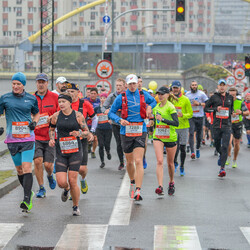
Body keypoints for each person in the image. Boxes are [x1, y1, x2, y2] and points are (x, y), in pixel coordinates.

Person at [109, 74, 156, 201]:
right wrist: (119, 120)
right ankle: (132, 181)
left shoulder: (143, 94)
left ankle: (138, 190)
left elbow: (154, 101)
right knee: (129, 162)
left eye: (134, 83)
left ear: (137, 84)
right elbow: (110, 113)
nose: (132, 86)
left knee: (139, 161)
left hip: (141, 130)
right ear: (126, 85)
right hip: (126, 131)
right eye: (130, 84)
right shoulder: (121, 97)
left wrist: (150, 107)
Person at [0, 72, 40, 212]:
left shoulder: (31, 98)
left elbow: (36, 113)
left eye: (18, 84)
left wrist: (34, 122)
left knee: (27, 167)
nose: (15, 86)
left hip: (28, 138)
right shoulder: (4, 98)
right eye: (14, 84)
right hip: (12, 139)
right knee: (19, 170)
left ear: (23, 85)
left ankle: (27, 199)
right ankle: (29, 192)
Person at [49, 92, 89, 216]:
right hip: (61, 152)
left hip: (75, 152)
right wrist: (51, 139)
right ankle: (66, 190)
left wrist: (80, 134)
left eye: (63, 102)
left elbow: (86, 132)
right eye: (59, 102)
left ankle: (75, 206)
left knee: (72, 180)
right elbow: (51, 129)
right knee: (61, 182)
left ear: (69, 103)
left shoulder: (78, 116)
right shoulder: (56, 116)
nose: (61, 104)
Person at [66, 83, 97, 194]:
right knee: (71, 169)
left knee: (82, 169)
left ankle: (83, 179)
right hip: (68, 141)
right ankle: (72, 191)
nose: (70, 94)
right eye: (68, 92)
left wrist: (92, 132)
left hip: (82, 140)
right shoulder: (63, 104)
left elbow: (94, 118)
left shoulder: (85, 103)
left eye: (72, 92)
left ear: (78, 93)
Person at [33, 73, 58, 198]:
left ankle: (49, 176)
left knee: (48, 165)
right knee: (37, 161)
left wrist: (52, 117)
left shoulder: (54, 97)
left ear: (47, 83)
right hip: (35, 136)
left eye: (43, 82)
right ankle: (41, 188)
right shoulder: (31, 98)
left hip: (50, 136)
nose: (41, 84)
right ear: (36, 83)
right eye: (39, 82)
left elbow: (61, 111)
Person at [151, 86, 179, 196]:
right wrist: (151, 125)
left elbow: (176, 123)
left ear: (167, 95)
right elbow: (154, 121)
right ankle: (160, 186)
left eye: (162, 94)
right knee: (159, 161)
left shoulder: (171, 107)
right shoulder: (156, 107)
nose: (160, 96)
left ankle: (171, 181)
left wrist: (162, 119)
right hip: (158, 136)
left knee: (170, 164)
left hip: (170, 137)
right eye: (159, 94)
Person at [204, 79, 234, 177]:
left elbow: (231, 109)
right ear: (218, 87)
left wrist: (232, 114)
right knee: (217, 145)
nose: (222, 87)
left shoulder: (230, 97)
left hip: (227, 126)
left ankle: (222, 169)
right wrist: (215, 109)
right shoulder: (214, 97)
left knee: (225, 146)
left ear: (226, 87)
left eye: (223, 85)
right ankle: (221, 156)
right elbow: (206, 108)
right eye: (220, 85)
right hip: (216, 125)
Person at [103, 78, 126, 170]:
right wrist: (106, 110)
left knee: (126, 143)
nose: (118, 87)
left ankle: (129, 159)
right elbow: (104, 106)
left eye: (120, 85)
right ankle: (121, 162)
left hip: (126, 123)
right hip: (115, 123)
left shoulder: (127, 96)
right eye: (117, 85)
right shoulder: (112, 96)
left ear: (124, 86)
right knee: (119, 143)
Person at [171, 81, 193, 176]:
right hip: (173, 127)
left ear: (180, 88)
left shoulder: (185, 99)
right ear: (171, 88)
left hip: (183, 127)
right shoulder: (170, 99)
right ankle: (175, 162)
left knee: (183, 148)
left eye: (177, 88)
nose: (175, 89)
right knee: (174, 147)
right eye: (174, 88)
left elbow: (190, 114)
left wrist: (183, 115)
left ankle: (182, 166)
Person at [226, 87, 249, 168]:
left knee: (236, 143)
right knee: (229, 142)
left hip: (237, 123)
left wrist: (241, 112)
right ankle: (229, 156)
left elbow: (247, 112)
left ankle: (234, 159)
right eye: (230, 94)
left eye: (233, 94)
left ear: (236, 94)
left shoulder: (240, 102)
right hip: (229, 123)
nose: (232, 96)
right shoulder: (226, 102)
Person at [185, 81, 208, 159]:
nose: (194, 86)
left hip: (200, 116)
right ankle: (192, 151)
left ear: (197, 86)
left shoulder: (201, 94)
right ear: (190, 86)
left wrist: (199, 104)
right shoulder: (187, 94)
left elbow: (207, 103)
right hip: (191, 117)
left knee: (199, 135)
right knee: (191, 133)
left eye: (195, 85)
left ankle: (197, 148)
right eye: (193, 85)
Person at [94, 93, 112, 168]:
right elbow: (93, 117)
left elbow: (113, 115)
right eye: (101, 98)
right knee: (101, 145)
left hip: (108, 129)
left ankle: (108, 152)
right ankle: (102, 161)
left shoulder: (109, 108)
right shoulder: (97, 108)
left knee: (107, 144)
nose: (102, 99)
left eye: (104, 98)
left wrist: (111, 120)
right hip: (99, 129)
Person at [86, 87, 100, 158]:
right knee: (88, 137)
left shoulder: (99, 102)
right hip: (87, 122)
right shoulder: (85, 101)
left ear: (97, 94)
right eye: (91, 93)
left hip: (95, 123)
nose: (93, 95)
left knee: (95, 138)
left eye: (94, 94)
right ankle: (88, 145)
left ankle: (93, 151)